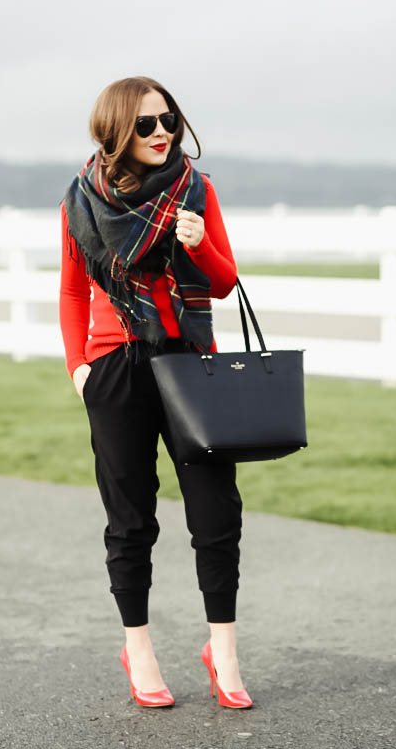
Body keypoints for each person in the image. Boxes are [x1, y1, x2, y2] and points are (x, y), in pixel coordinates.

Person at [59, 76, 253, 710]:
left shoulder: (196, 190)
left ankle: (222, 650)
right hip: (115, 366)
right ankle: (137, 648)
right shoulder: (81, 200)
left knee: (215, 510)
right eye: (145, 124)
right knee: (130, 514)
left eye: (167, 119)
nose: (162, 131)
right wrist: (79, 368)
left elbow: (224, 283)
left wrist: (198, 246)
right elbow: (71, 292)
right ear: (117, 130)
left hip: (190, 362)